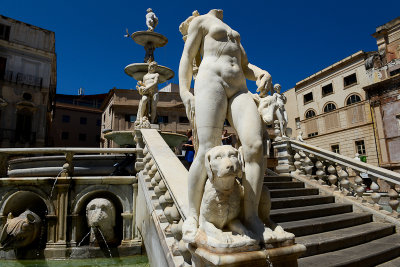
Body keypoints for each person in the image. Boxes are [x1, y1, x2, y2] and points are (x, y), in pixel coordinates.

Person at [179, 9, 273, 243]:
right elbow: (187, 56)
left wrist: (260, 72)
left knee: (255, 146)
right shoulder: (202, 21)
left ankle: (252, 216)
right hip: (212, 80)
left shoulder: (232, 31)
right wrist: (184, 92)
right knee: (208, 147)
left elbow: (244, 65)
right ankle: (192, 215)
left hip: (239, 86)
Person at [135, 61, 159, 127]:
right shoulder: (145, 76)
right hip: (147, 92)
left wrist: (147, 87)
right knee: (144, 100)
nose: (152, 68)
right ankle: (140, 118)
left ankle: (152, 122)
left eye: (154, 67)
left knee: (153, 106)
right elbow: (145, 85)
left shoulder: (156, 74)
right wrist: (141, 84)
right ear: (148, 67)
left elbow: (155, 83)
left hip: (154, 92)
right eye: (151, 66)